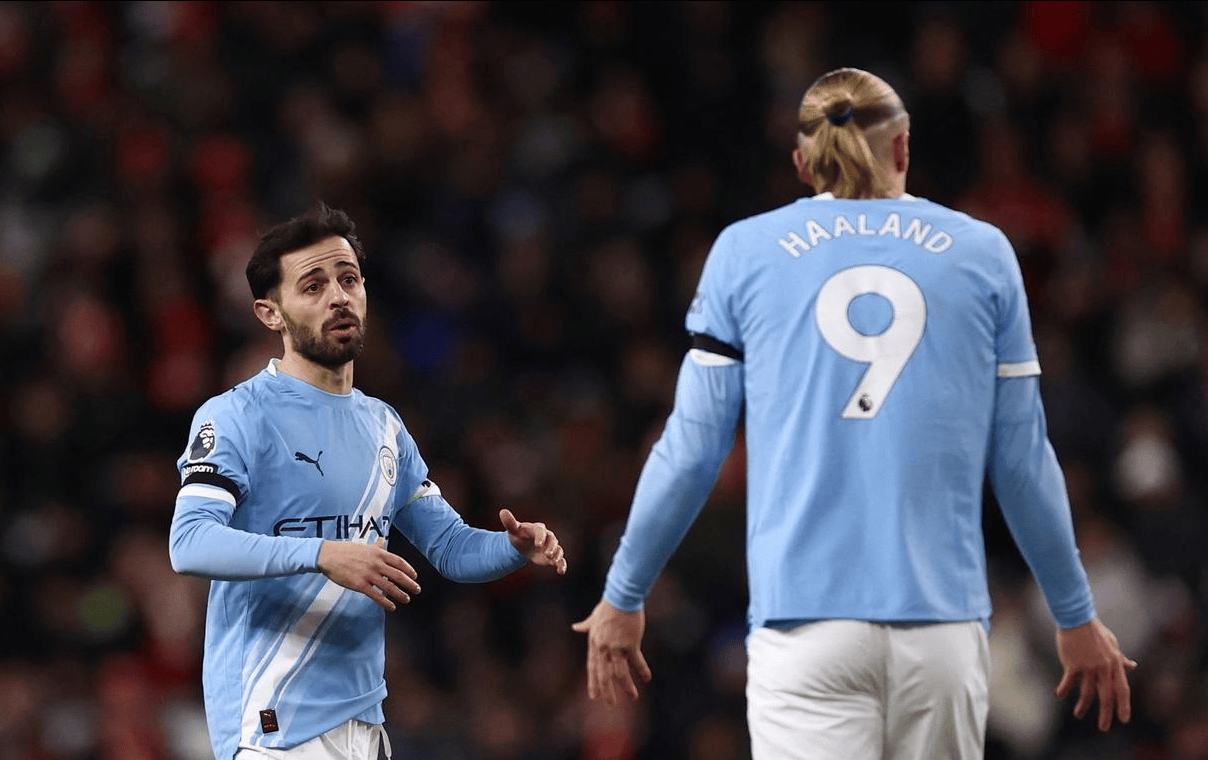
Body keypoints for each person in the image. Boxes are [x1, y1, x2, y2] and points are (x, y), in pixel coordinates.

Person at [572, 67, 1136, 760]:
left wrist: (624, 594)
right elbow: (1021, 460)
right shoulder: (983, 253)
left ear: (801, 162)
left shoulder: (745, 251)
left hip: (806, 627)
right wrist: (1074, 614)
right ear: (902, 147)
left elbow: (691, 448)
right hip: (942, 627)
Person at [169, 203, 568, 760]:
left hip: (364, 722)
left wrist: (512, 547)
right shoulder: (236, 416)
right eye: (313, 286)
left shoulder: (384, 426)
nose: (338, 296)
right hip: (272, 723)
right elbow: (189, 542)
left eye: (349, 279)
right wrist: (322, 553)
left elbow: (450, 547)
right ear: (270, 313)